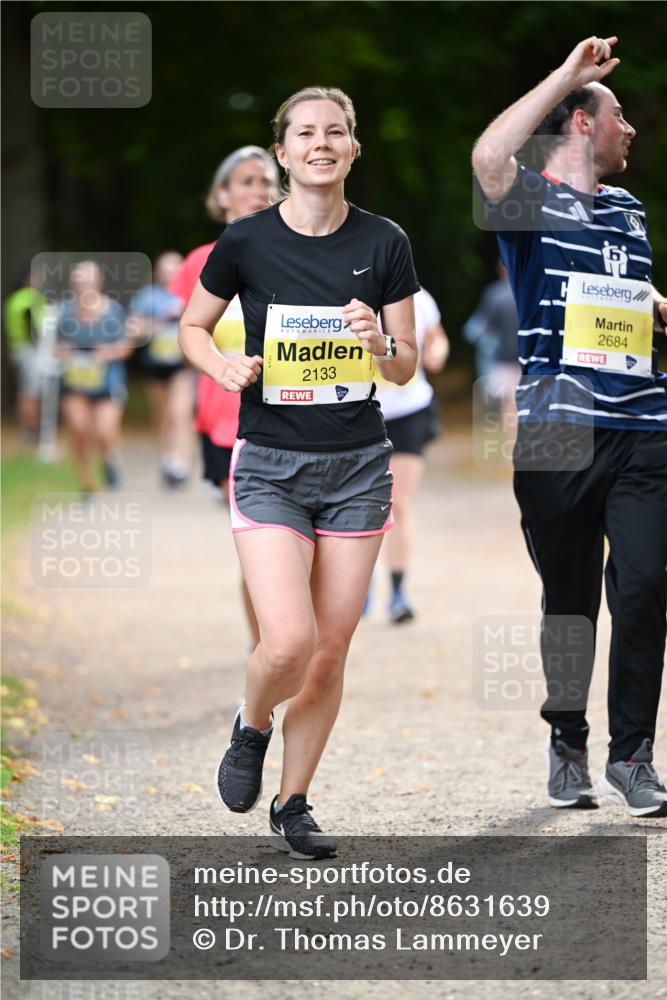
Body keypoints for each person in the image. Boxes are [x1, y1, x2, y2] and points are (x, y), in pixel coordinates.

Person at [179, 87, 419, 858]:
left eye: (336, 132)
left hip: (356, 467)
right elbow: (191, 325)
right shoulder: (247, 241)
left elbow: (406, 362)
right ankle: (251, 725)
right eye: (305, 133)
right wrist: (219, 364)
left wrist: (378, 340)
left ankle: (294, 802)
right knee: (286, 642)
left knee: (329, 649)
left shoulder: (384, 242)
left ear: (353, 148)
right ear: (282, 153)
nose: (321, 143)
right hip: (272, 464)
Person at [473, 35, 667, 817]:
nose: (631, 130)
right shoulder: (525, 200)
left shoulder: (628, 208)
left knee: (648, 585)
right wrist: (565, 76)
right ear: (581, 125)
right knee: (568, 599)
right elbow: (489, 153)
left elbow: (626, 300)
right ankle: (565, 739)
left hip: (646, 423)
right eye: (618, 115)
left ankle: (632, 755)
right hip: (557, 429)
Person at [170, 146, 280, 648]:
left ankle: (285, 644)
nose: (258, 190)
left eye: (267, 181)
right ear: (222, 194)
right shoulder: (200, 261)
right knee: (263, 543)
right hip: (227, 420)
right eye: (246, 181)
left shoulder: (297, 251)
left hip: (299, 412)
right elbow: (184, 333)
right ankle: (268, 650)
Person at [373, 286, 449, 622]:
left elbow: (437, 337)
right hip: (358, 410)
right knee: (359, 505)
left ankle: (398, 592)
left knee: (397, 502)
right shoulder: (342, 289)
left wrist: (438, 353)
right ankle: (359, 586)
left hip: (409, 409)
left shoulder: (418, 298)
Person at [56, 260, 130, 498]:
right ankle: (86, 484)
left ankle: (109, 460)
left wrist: (107, 353)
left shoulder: (113, 310)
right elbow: (55, 348)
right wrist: (64, 353)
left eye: (88, 278)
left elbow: (127, 346)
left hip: (107, 379)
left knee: (105, 432)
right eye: (78, 279)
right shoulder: (65, 312)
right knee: (78, 430)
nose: (83, 283)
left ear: (98, 282)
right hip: (75, 380)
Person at [127, 251, 194, 487]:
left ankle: (181, 463)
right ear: (158, 272)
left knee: (181, 413)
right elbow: (133, 330)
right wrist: (153, 325)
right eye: (165, 269)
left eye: (174, 268)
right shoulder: (147, 297)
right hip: (155, 365)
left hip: (181, 365)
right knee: (162, 414)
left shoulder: (192, 293)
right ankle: (166, 457)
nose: (169, 273)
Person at [3, 268, 46, 442]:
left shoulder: (15, 299)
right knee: (31, 391)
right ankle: (31, 429)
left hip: (18, 349)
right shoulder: (30, 299)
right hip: (29, 351)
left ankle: (30, 427)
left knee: (26, 389)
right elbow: (33, 327)